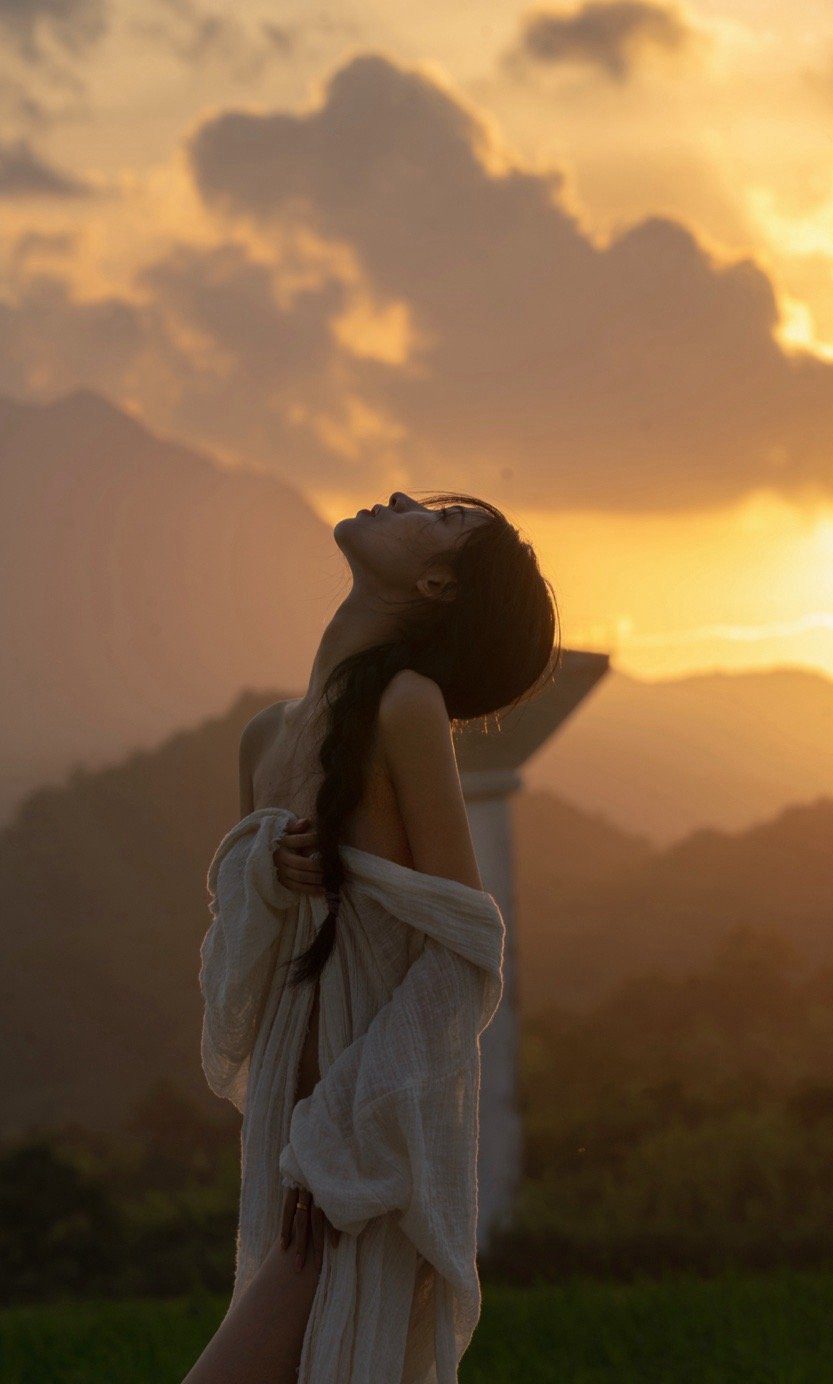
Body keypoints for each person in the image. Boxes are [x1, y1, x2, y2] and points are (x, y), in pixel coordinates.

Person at [184, 490, 559, 1384]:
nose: (399, 499)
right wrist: (266, 874)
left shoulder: (406, 704)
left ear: (435, 582)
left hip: (355, 1162)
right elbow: (244, 966)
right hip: (292, 1148)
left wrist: (345, 1142)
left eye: (436, 519)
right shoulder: (263, 737)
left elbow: (466, 950)